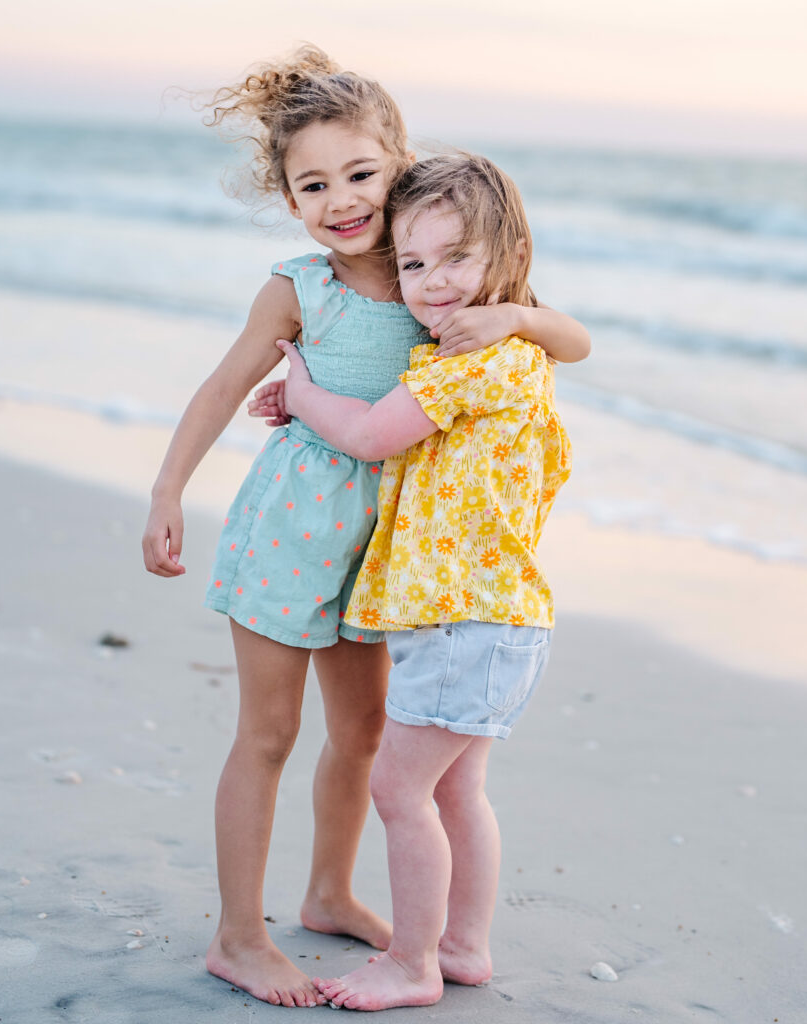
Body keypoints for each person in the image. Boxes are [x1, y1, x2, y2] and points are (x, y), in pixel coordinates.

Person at [141, 47, 591, 1009]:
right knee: (267, 734)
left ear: (400, 166)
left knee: (365, 735)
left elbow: (573, 340)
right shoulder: (301, 289)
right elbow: (225, 388)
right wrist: (168, 490)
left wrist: (512, 315)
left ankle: (332, 891)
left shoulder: (444, 277)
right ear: (289, 198)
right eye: (313, 184)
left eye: (361, 174)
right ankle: (238, 935)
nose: (341, 199)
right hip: (293, 528)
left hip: (386, 550)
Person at [264, 152, 577, 1011]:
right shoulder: (517, 347)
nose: (432, 284)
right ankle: (464, 946)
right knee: (456, 790)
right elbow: (573, 338)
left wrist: (298, 390)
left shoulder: (472, 363)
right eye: (411, 263)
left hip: (462, 622)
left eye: (455, 259)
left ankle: (413, 963)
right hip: (500, 621)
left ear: (506, 259)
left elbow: (369, 436)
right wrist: (515, 311)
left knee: (399, 789)